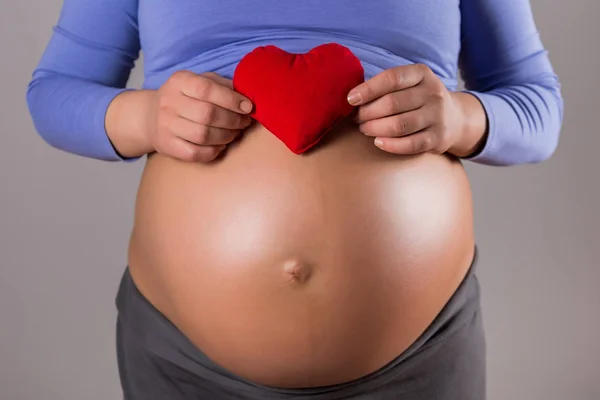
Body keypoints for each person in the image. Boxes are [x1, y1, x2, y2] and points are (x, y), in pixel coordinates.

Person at [26, 0, 563, 399]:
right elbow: (54, 91)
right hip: (185, 357)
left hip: (418, 355)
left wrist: (461, 117)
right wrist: (144, 116)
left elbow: (538, 106)